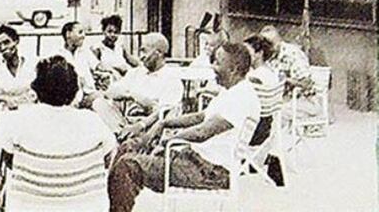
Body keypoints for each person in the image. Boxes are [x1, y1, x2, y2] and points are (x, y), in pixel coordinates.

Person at [108, 43, 260, 212]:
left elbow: (203, 132)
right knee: (128, 146)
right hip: (195, 159)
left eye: (217, 62)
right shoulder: (231, 91)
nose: (212, 67)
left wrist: (168, 141)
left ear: (233, 69)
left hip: (210, 172)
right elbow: (200, 117)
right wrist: (163, 123)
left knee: (127, 166)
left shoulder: (241, 98)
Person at [0, 55, 117, 211]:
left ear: (36, 89)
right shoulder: (93, 121)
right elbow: (109, 158)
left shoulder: (20, 120)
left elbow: (9, 160)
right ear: (75, 91)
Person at [104, 32, 183, 117]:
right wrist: (131, 95)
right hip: (126, 121)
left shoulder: (172, 81)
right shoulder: (135, 73)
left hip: (150, 126)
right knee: (99, 105)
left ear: (159, 53)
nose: (141, 57)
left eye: (144, 51)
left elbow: (163, 114)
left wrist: (144, 102)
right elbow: (110, 92)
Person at [243, 34, 285, 186]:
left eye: (248, 52)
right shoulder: (270, 72)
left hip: (252, 131)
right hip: (266, 129)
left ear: (259, 54)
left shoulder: (255, 78)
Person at [259, 25, 313, 94]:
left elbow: (306, 83)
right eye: (263, 45)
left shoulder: (293, 54)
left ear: (278, 41)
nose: (266, 48)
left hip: (293, 99)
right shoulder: (263, 55)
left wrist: (284, 80)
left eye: (269, 44)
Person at [90, 15, 139, 88]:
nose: (112, 35)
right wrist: (116, 69)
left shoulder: (120, 47)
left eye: (116, 32)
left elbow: (133, 62)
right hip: (108, 83)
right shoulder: (98, 48)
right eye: (109, 31)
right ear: (103, 31)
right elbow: (95, 67)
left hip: (124, 80)